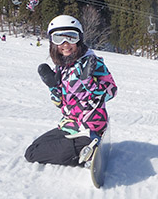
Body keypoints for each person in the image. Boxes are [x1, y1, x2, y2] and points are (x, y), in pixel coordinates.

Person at [25, 15, 117, 166]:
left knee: (34, 154)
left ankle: (89, 147)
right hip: (70, 125)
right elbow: (61, 104)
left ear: (79, 39)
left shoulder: (92, 62)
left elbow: (111, 91)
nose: (65, 44)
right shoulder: (62, 67)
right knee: (33, 150)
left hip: (89, 126)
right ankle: (83, 148)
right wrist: (53, 87)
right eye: (58, 38)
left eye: (71, 37)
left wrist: (89, 84)